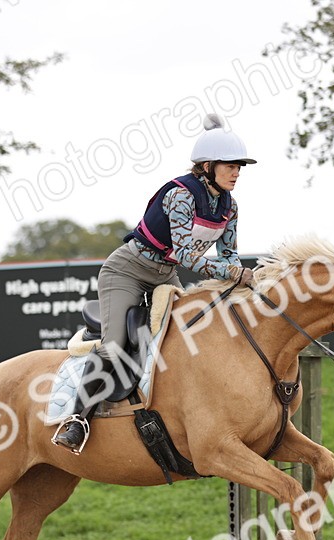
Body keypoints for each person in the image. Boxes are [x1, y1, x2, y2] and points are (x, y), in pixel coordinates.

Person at [52, 113, 257, 453]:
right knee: (116, 343)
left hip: (165, 274)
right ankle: (76, 420)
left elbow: (229, 254)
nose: (236, 172)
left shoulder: (229, 206)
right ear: (207, 166)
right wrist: (233, 274)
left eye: (239, 167)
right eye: (230, 165)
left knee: (182, 338)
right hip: (128, 270)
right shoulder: (181, 196)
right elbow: (187, 256)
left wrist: (239, 276)